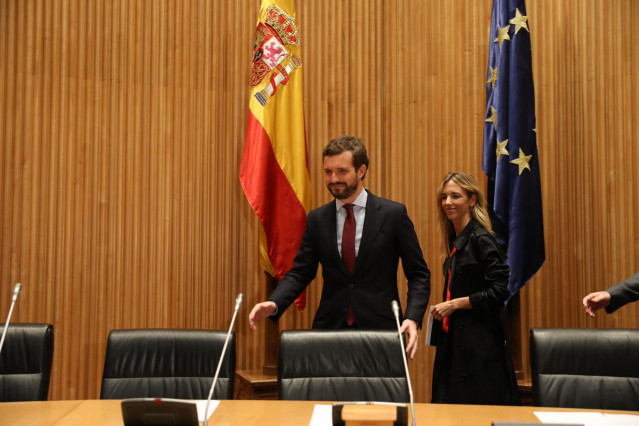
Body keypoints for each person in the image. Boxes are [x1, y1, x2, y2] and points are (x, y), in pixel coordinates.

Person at [249, 135, 431, 359]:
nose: (333, 178)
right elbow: (301, 272)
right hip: (330, 331)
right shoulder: (317, 219)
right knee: (327, 396)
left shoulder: (393, 215)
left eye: (341, 171)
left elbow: (418, 274)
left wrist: (412, 317)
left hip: (381, 332)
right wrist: (274, 302)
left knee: (377, 396)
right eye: (328, 172)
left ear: (361, 170)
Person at [430, 172, 519, 405]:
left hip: (479, 348)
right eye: (444, 197)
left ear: (472, 200)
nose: (448, 202)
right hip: (454, 342)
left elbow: (500, 290)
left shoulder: (481, 239)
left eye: (455, 196)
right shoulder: (455, 241)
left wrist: (456, 303)